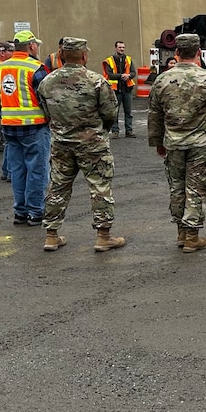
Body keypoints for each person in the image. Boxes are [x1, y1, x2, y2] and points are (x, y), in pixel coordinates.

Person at [36, 37, 124, 253]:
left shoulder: (47, 82)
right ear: (84, 55)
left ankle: (51, 235)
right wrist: (99, 129)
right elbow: (110, 112)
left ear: (62, 54)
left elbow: (46, 112)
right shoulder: (96, 81)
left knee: (58, 187)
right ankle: (103, 236)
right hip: (92, 144)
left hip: (61, 143)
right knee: (100, 188)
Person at [148, 33, 206, 253]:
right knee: (196, 188)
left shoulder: (162, 79)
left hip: (173, 143)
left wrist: (157, 141)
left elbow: (154, 114)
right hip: (201, 144)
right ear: (198, 53)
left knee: (176, 188)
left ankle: (181, 231)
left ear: (177, 53)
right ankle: (191, 236)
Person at [0, 30, 50, 225]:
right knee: (37, 169)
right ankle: (36, 211)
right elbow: (45, 98)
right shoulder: (36, 67)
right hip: (34, 126)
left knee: (17, 170)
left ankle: (20, 211)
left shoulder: (1, 68)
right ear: (32, 46)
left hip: (9, 125)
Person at [102, 41, 137, 137]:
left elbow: (134, 72)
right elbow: (110, 75)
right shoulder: (109, 60)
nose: (122, 49)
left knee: (128, 112)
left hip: (127, 89)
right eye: (120, 47)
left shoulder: (128, 59)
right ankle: (115, 131)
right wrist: (122, 76)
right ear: (115, 48)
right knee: (115, 113)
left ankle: (129, 131)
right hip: (115, 90)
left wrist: (129, 75)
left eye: (123, 47)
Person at [0, 41, 14, 181]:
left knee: (8, 143)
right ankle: (10, 171)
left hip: (4, 106)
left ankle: (6, 170)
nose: (13, 53)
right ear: (2, 52)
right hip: (7, 107)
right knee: (11, 143)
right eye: (11, 50)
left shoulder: (0, 66)